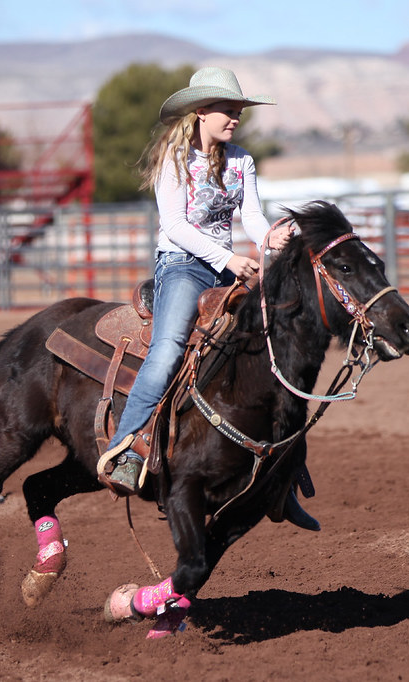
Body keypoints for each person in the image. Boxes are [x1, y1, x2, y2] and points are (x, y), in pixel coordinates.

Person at [101, 66, 295, 495]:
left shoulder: (242, 160)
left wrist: (270, 238)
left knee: (274, 341)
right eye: (228, 110)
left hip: (226, 267)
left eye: (238, 112)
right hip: (183, 264)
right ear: (202, 112)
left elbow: (251, 216)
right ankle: (126, 450)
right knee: (168, 348)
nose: (235, 119)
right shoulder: (174, 160)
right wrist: (230, 258)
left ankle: (283, 464)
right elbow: (175, 225)